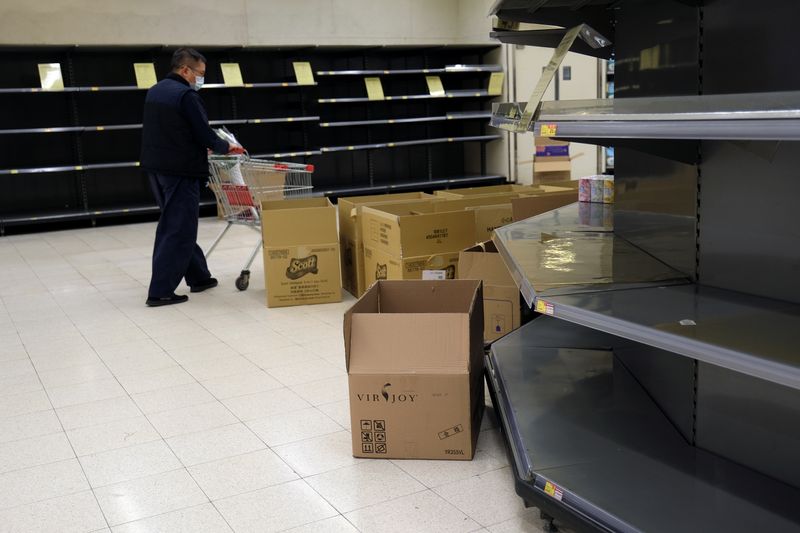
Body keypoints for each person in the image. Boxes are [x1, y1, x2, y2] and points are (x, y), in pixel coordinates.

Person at [141, 48, 245, 307]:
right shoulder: (186, 95)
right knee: (178, 228)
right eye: (200, 74)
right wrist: (225, 147)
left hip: (157, 168)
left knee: (177, 223)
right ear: (185, 70)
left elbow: (172, 130)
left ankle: (199, 277)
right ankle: (160, 291)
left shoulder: (156, 91)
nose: (201, 79)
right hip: (181, 171)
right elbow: (202, 132)